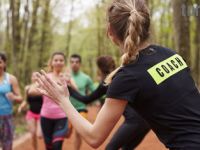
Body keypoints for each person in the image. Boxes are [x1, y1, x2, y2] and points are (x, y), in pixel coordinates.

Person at [36, 0, 200, 150]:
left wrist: (62, 100)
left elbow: (94, 137)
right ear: (147, 25)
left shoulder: (127, 76)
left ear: (110, 32)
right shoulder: (171, 54)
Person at [69, 55, 150, 150]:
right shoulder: (125, 75)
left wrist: (68, 89)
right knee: (127, 148)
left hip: (133, 121)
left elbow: (86, 100)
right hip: (147, 122)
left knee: (110, 148)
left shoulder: (107, 82)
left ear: (100, 68)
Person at [36, 52, 73, 150]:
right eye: (56, 60)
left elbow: (76, 92)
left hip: (62, 116)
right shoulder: (45, 77)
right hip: (46, 116)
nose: (58, 62)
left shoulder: (66, 77)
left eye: (61, 60)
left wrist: (69, 82)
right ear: (51, 62)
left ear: (64, 62)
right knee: (48, 146)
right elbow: (35, 91)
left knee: (57, 146)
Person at [69, 54, 95, 150]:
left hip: (81, 108)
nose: (74, 64)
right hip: (67, 109)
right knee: (66, 133)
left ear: (80, 64)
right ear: (70, 63)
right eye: (72, 62)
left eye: (76, 62)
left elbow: (95, 91)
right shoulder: (65, 76)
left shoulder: (86, 78)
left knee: (78, 132)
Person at [0, 52, 22, 150]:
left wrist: (14, 97)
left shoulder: (11, 79)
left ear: (4, 63)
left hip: (6, 117)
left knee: (7, 146)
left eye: (0, 62)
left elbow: (20, 98)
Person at [18, 72, 43, 150]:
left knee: (39, 135)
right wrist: (20, 107)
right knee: (32, 134)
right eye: (33, 76)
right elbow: (26, 101)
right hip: (31, 113)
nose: (35, 77)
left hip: (41, 114)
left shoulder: (43, 87)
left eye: (37, 76)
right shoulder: (27, 88)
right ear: (31, 78)